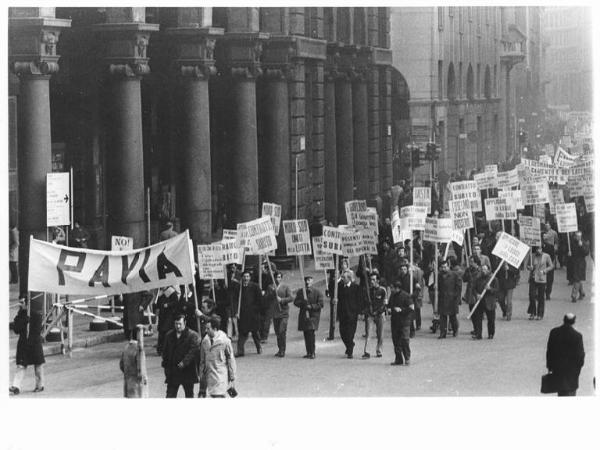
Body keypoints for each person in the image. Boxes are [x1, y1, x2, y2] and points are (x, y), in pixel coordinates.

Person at [9, 298, 45, 395]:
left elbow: (38, 329)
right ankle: (16, 386)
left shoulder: (36, 315)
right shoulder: (20, 315)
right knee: (21, 365)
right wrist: (25, 321)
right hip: (24, 343)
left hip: (34, 343)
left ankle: (39, 385)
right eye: (19, 302)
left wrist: (30, 322)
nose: (20, 304)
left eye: (22, 302)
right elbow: (16, 329)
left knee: (38, 365)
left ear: (27, 303)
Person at [161, 315, 200, 398]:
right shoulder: (169, 335)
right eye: (176, 324)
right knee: (170, 396)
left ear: (185, 323)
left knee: (189, 395)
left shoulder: (192, 335)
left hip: (187, 371)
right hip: (173, 372)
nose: (178, 326)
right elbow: (165, 353)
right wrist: (166, 368)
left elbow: (193, 351)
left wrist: (184, 362)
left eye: (180, 324)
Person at [546, 313, 585, 396]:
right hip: (572, 370)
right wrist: (579, 368)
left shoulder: (554, 332)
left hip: (558, 368)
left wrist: (549, 366)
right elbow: (580, 355)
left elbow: (549, 351)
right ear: (574, 322)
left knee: (561, 391)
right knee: (571, 391)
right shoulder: (577, 336)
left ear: (563, 320)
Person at [199, 315, 236, 398]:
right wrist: (201, 378)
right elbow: (202, 361)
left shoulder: (225, 341)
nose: (206, 330)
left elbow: (230, 360)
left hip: (220, 377)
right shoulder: (205, 341)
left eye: (208, 328)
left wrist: (232, 377)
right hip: (209, 377)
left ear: (215, 329)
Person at [233, 270, 263, 356]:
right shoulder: (239, 288)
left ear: (250, 277)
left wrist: (256, 310)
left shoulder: (255, 287)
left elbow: (260, 300)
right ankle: (240, 351)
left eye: (247, 277)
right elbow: (235, 300)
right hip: (242, 314)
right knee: (242, 333)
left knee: (255, 332)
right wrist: (236, 312)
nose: (246, 278)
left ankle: (259, 347)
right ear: (242, 278)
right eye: (244, 277)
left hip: (253, 314)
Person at [293, 276, 324, 359]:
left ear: (312, 281)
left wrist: (311, 306)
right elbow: (295, 302)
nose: (308, 282)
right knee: (306, 333)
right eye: (306, 280)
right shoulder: (301, 292)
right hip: (304, 315)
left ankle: (312, 352)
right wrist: (302, 302)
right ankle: (308, 352)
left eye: (309, 280)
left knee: (311, 333)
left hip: (313, 316)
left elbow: (321, 304)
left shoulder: (317, 292)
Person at [266, 271, 293, 357]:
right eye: (276, 277)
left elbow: (291, 298)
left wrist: (282, 300)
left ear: (281, 278)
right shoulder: (270, 287)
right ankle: (279, 349)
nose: (277, 279)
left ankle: (283, 350)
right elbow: (267, 298)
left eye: (279, 277)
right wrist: (272, 293)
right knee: (278, 332)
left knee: (282, 331)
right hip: (275, 313)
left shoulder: (285, 287)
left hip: (283, 313)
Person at [387, 282, 414, 366]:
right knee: (396, 341)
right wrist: (389, 309)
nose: (391, 290)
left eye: (392, 288)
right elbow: (389, 305)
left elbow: (411, 308)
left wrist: (401, 310)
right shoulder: (392, 296)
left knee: (405, 340)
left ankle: (407, 358)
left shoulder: (406, 296)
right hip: (395, 321)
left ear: (397, 288)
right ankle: (398, 359)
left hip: (404, 322)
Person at [471, 263, 499, 340]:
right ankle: (478, 334)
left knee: (491, 319)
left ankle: (491, 333)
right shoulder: (478, 279)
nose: (483, 271)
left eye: (485, 269)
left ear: (488, 270)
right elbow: (473, 288)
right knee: (478, 319)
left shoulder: (493, 279)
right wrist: (477, 294)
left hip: (490, 302)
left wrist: (490, 289)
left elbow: (497, 291)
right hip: (480, 301)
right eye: (482, 269)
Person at [337, 270, 361, 358]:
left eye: (344, 277)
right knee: (342, 333)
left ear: (349, 278)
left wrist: (358, 312)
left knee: (350, 333)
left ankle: (350, 351)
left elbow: (359, 300)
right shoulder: (339, 287)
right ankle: (350, 345)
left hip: (352, 314)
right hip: (342, 314)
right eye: (342, 277)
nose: (342, 279)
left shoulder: (355, 287)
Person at [119, 326, 148, 398]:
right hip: (137, 386)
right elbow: (141, 367)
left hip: (128, 382)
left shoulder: (126, 348)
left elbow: (121, 365)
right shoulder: (139, 350)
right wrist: (144, 379)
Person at [363, 272, 387, 358]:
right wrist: (368, 311)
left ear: (378, 280)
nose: (371, 281)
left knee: (380, 334)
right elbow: (365, 302)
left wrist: (378, 311)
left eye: (373, 279)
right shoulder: (368, 290)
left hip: (380, 314)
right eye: (371, 279)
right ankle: (367, 351)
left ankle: (379, 350)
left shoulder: (382, 290)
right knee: (368, 333)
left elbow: (384, 303)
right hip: (370, 315)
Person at [437, 260, 462, 339]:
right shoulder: (439, 275)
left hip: (452, 299)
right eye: (442, 267)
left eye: (445, 267)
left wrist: (457, 298)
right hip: (442, 298)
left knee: (453, 317)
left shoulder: (454, 275)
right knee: (443, 317)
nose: (444, 268)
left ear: (448, 266)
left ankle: (455, 330)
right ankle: (442, 333)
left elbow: (458, 287)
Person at [527, 246, 553, 320]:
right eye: (538, 248)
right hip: (533, 278)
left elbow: (551, 266)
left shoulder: (546, 256)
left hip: (541, 279)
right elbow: (528, 266)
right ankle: (532, 312)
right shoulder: (532, 256)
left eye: (540, 248)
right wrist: (530, 267)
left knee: (541, 297)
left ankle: (540, 314)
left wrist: (545, 271)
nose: (539, 250)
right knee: (531, 296)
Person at [155, 285, 181, 355]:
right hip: (162, 315)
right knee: (161, 333)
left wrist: (168, 305)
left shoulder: (172, 292)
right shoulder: (161, 292)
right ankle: (160, 349)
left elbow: (176, 302)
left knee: (167, 331)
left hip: (169, 315)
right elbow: (158, 303)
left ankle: (168, 349)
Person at [462, 255, 482, 335]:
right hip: (470, 293)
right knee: (472, 312)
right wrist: (467, 272)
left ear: (476, 262)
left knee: (477, 313)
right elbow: (464, 279)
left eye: (472, 262)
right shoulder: (469, 270)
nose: (470, 263)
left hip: (477, 293)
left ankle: (478, 330)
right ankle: (475, 328)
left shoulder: (480, 271)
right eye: (470, 261)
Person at [569, 231, 590, 302]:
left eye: (579, 236)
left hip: (580, 264)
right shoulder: (572, 243)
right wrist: (569, 253)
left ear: (581, 236)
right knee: (578, 278)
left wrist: (581, 246)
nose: (577, 237)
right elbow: (571, 251)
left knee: (576, 278)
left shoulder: (584, 243)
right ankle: (582, 293)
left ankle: (573, 296)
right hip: (573, 263)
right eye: (576, 236)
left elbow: (586, 253)